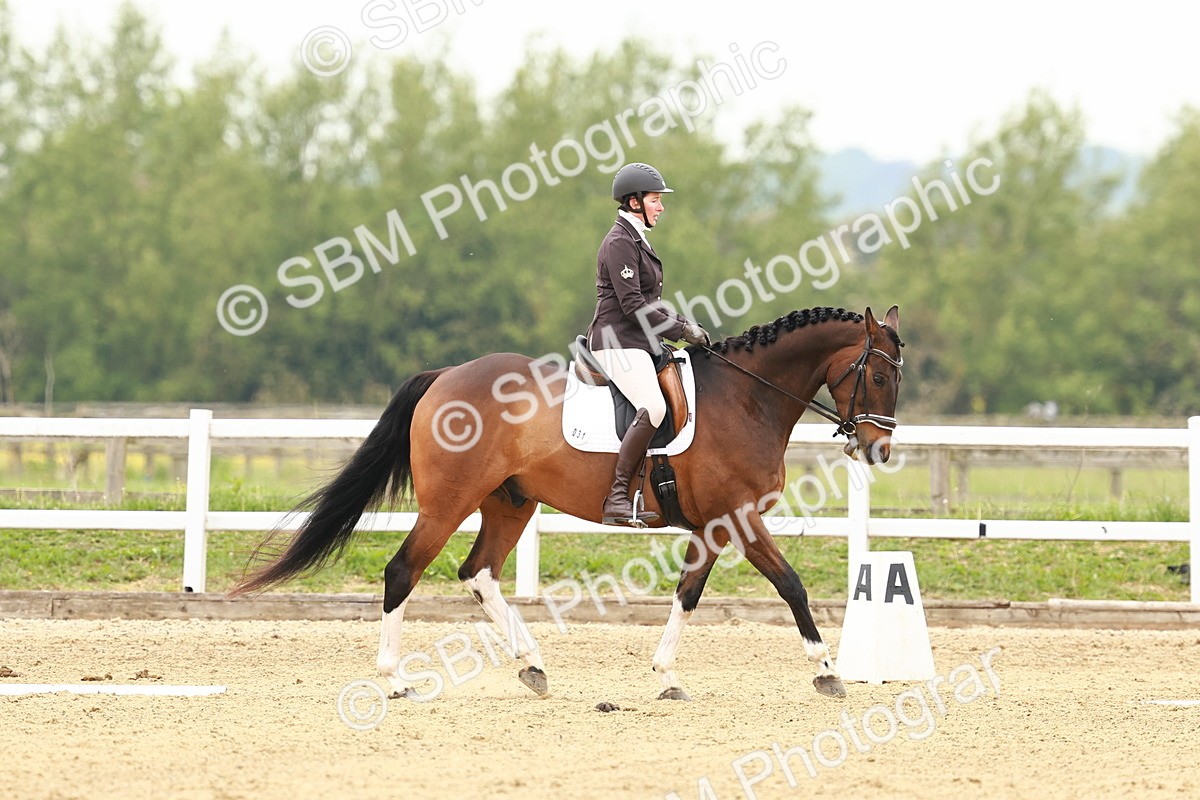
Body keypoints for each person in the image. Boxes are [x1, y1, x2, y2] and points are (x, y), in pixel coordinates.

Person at [585, 162, 710, 527]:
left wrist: (683, 325)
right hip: (616, 342)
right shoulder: (620, 242)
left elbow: (649, 302)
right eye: (656, 200)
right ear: (634, 201)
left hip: (638, 342)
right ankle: (617, 498)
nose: (661, 207)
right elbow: (633, 306)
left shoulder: (636, 238)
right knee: (653, 407)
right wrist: (681, 329)